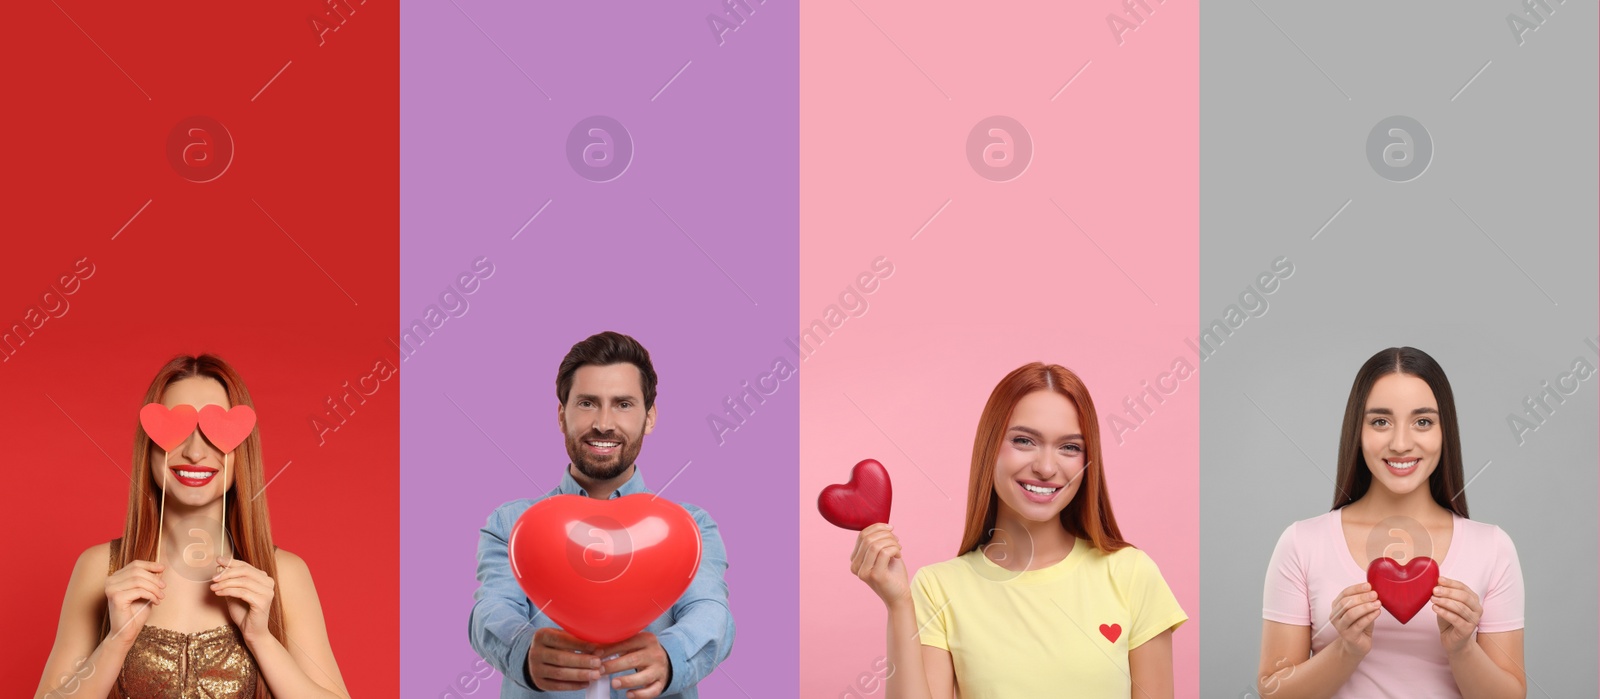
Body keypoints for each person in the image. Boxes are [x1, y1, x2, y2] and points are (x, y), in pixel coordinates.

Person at [851, 362, 1186, 698]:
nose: (1045, 467)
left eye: (1070, 447)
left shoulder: (1131, 574)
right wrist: (898, 607)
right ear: (990, 447)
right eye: (1025, 441)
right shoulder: (939, 588)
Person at [33, 354, 350, 698]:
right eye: (178, 429)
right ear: (150, 447)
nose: (196, 453)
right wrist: (116, 642)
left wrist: (261, 639)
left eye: (215, 432)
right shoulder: (100, 568)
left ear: (241, 449)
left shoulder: (283, 574)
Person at [469, 331, 735, 699]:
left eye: (623, 404)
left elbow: (711, 611)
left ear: (650, 417)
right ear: (562, 416)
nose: (604, 423)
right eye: (588, 403)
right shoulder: (511, 524)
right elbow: (491, 610)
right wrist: (523, 650)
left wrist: (671, 655)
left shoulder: (690, 526)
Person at [1257, 347, 1526, 698]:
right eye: (1380, 421)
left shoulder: (1492, 548)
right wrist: (1346, 649)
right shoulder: (1302, 543)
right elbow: (1272, 691)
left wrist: (1462, 649)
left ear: (1446, 433)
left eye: (1423, 422)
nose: (1401, 443)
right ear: (1358, 430)